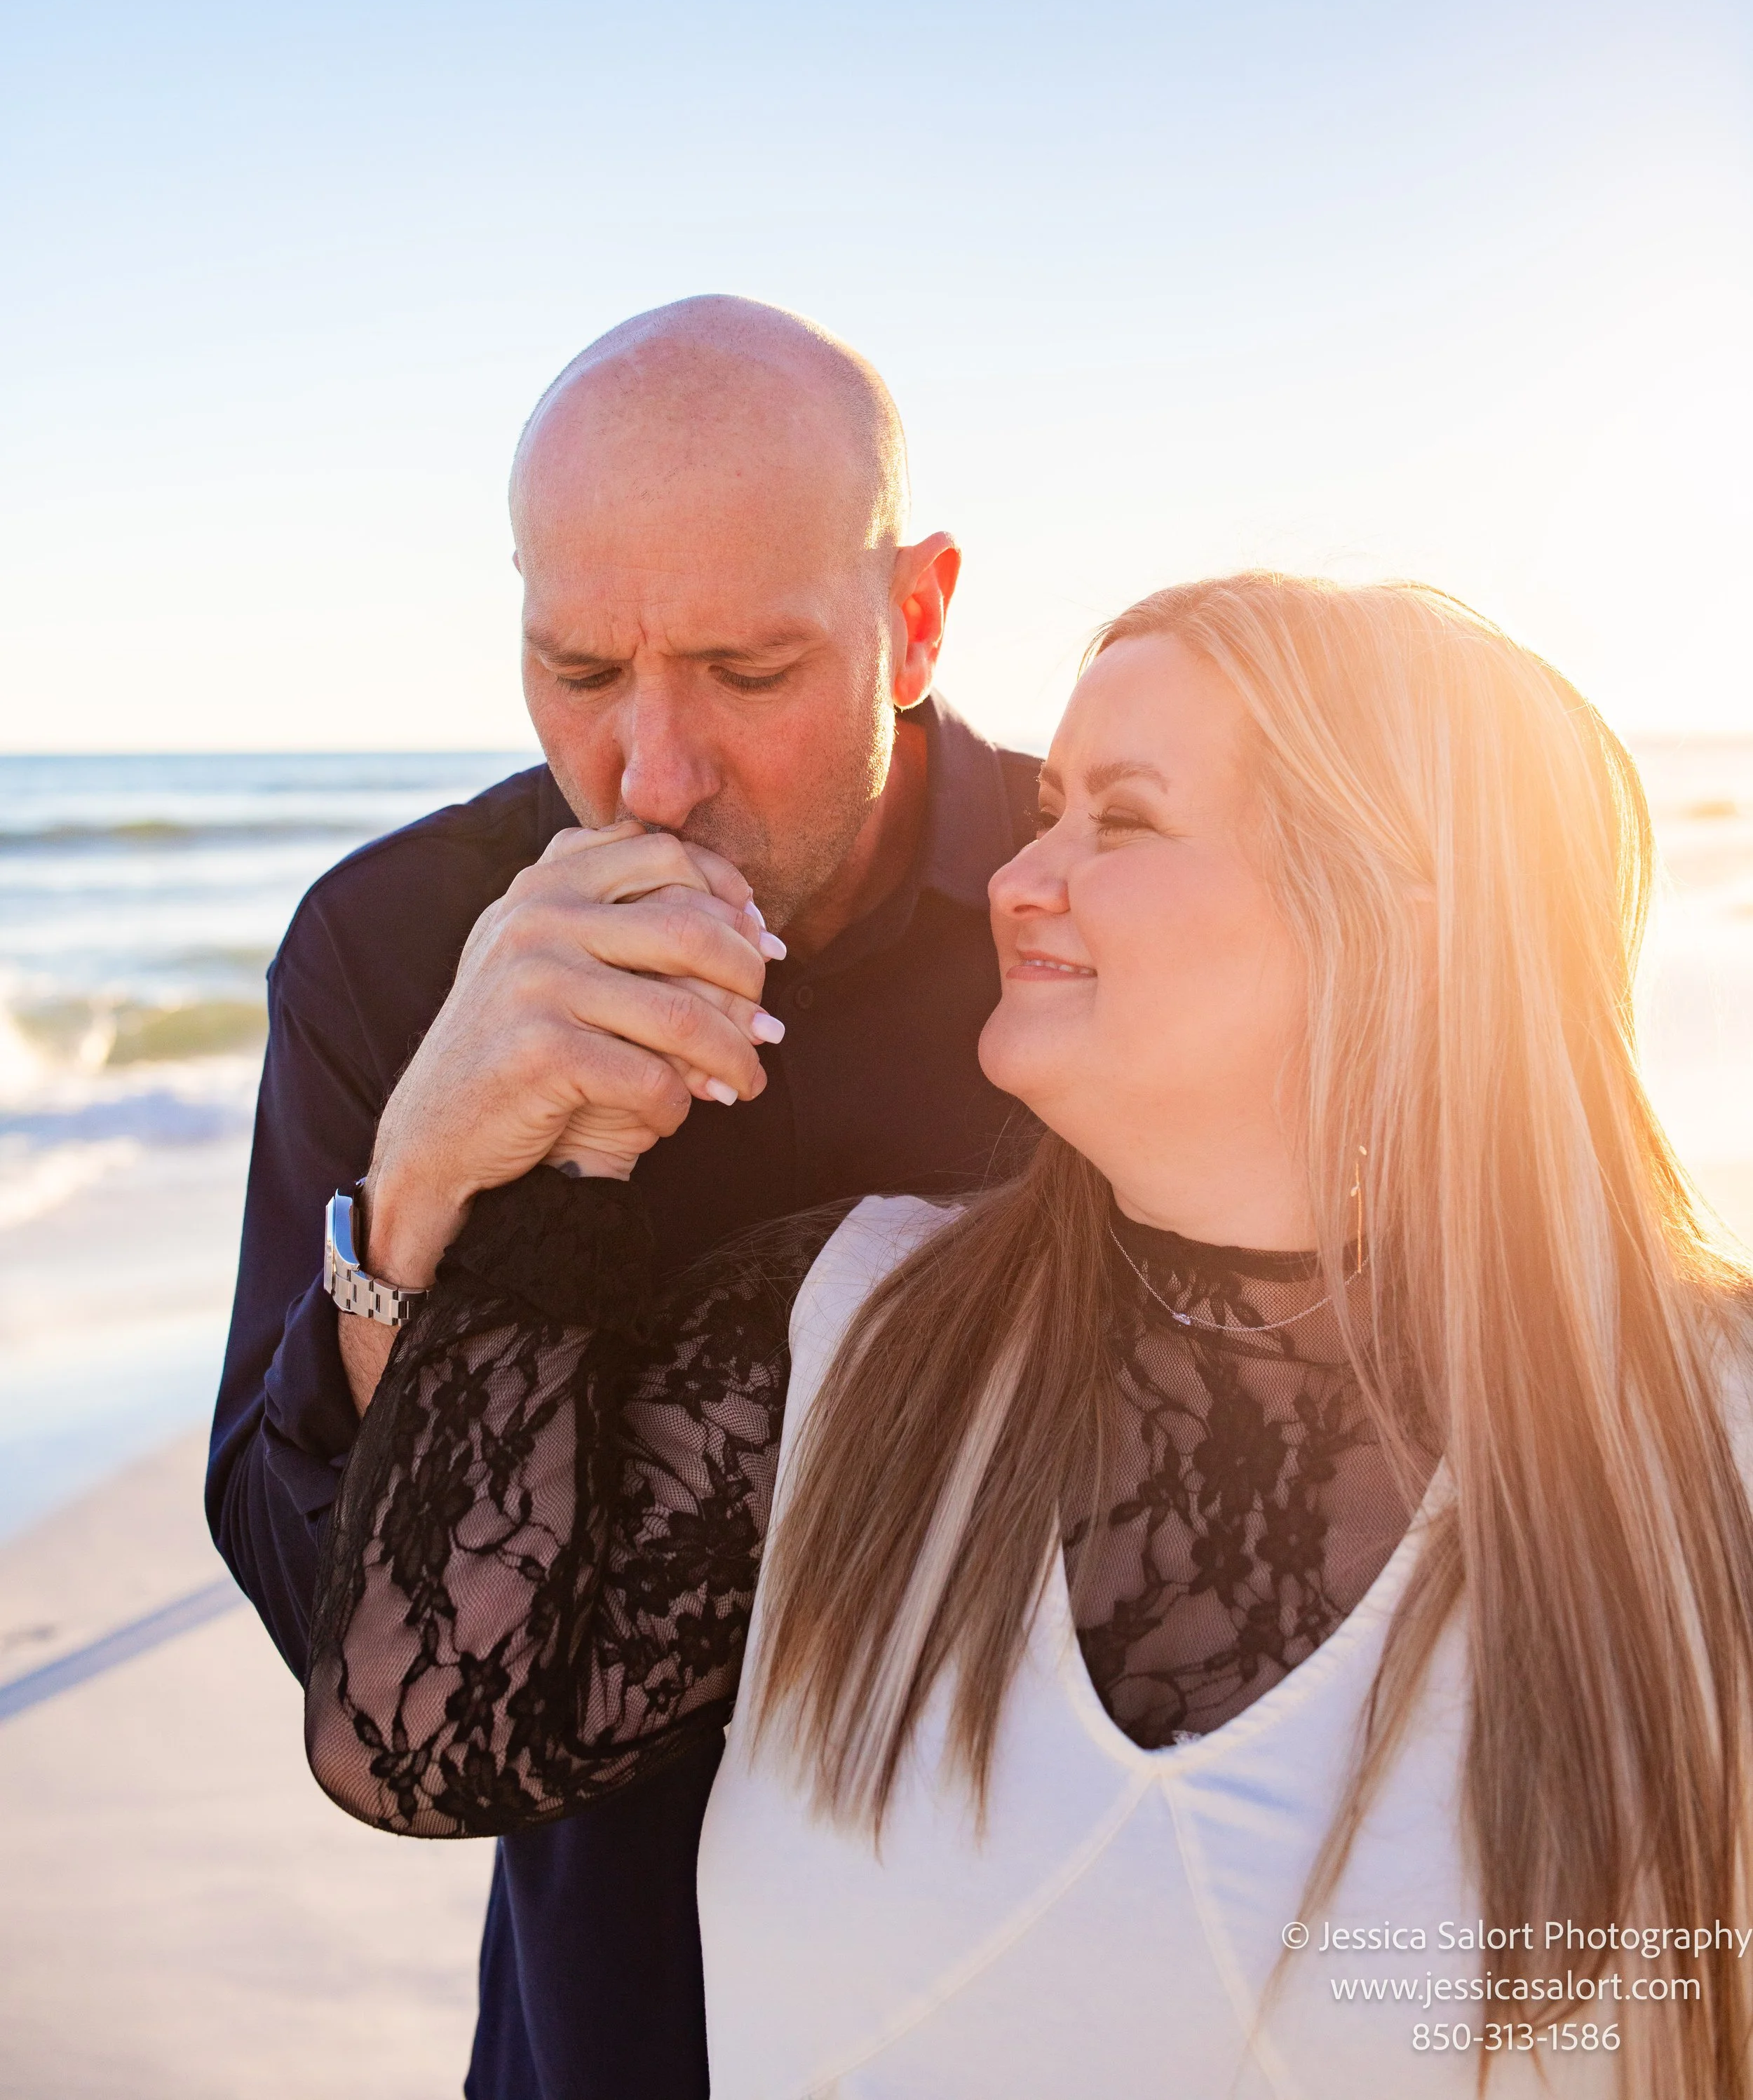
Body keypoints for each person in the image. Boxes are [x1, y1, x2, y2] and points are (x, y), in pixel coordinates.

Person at [306, 574, 1753, 2100]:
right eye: (1044, 810)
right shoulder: (845, 1330)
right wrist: (553, 1148)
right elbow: (420, 1745)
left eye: (1118, 824)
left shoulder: (1708, 1441)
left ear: (1397, 926)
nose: (1016, 879)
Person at [205, 297, 1041, 2100]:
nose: (652, 776)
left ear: (912, 618)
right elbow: (315, 1622)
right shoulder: (387, 944)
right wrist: (424, 1176)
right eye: (580, 672)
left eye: (748, 674)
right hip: (613, 2025)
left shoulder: (1095, 923)